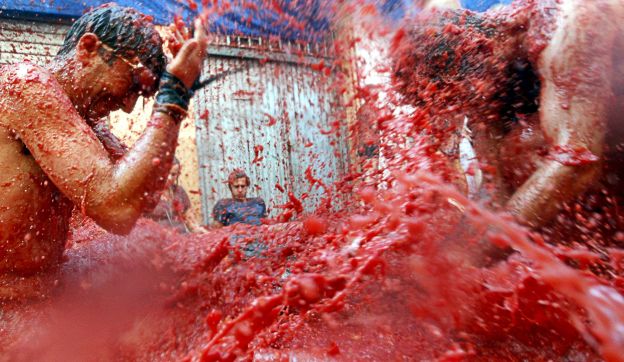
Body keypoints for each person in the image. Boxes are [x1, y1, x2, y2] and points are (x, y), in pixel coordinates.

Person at [0, 3, 207, 298]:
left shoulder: (87, 124)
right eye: (135, 83)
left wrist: (180, 85)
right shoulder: (26, 87)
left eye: (144, 94)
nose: (128, 106)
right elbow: (117, 209)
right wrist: (173, 98)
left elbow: (145, 200)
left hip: (39, 293)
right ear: (88, 48)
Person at [392, 0, 624, 247]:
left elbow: (577, 162)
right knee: (515, 155)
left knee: (529, 152)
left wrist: (484, 248)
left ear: (478, 73)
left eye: (461, 101)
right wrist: (477, 234)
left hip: (602, 112)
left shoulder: (569, 27)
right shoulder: (484, 58)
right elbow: (494, 184)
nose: (464, 113)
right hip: (596, 112)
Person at [146, 158, 206, 233]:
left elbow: (190, 221)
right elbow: (141, 225)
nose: (170, 178)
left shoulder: (179, 192)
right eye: (167, 173)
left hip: (181, 237)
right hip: (157, 239)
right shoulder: (148, 194)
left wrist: (199, 231)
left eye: (173, 174)